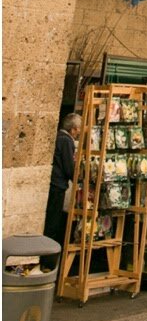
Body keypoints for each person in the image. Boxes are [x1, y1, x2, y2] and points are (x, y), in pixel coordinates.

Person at [45, 113, 80, 267]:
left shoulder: (59, 137)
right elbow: (68, 167)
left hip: (55, 183)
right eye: (78, 129)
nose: (79, 132)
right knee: (53, 223)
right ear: (73, 129)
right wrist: (79, 178)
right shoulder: (66, 141)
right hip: (58, 185)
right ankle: (48, 261)